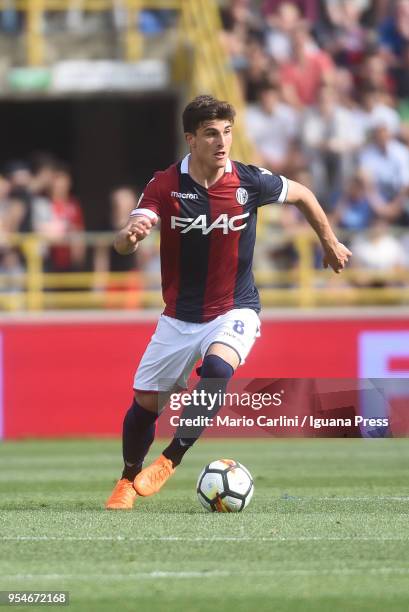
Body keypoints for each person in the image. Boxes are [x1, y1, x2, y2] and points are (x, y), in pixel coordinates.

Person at [105, 94, 351, 510]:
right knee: (145, 405)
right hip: (179, 318)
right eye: (211, 134)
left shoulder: (249, 181)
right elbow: (128, 233)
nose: (222, 142)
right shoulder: (166, 185)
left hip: (234, 308)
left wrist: (329, 242)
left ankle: (171, 459)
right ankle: (128, 479)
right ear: (191, 140)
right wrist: (129, 238)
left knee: (218, 369)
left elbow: (304, 195)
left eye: (227, 132)